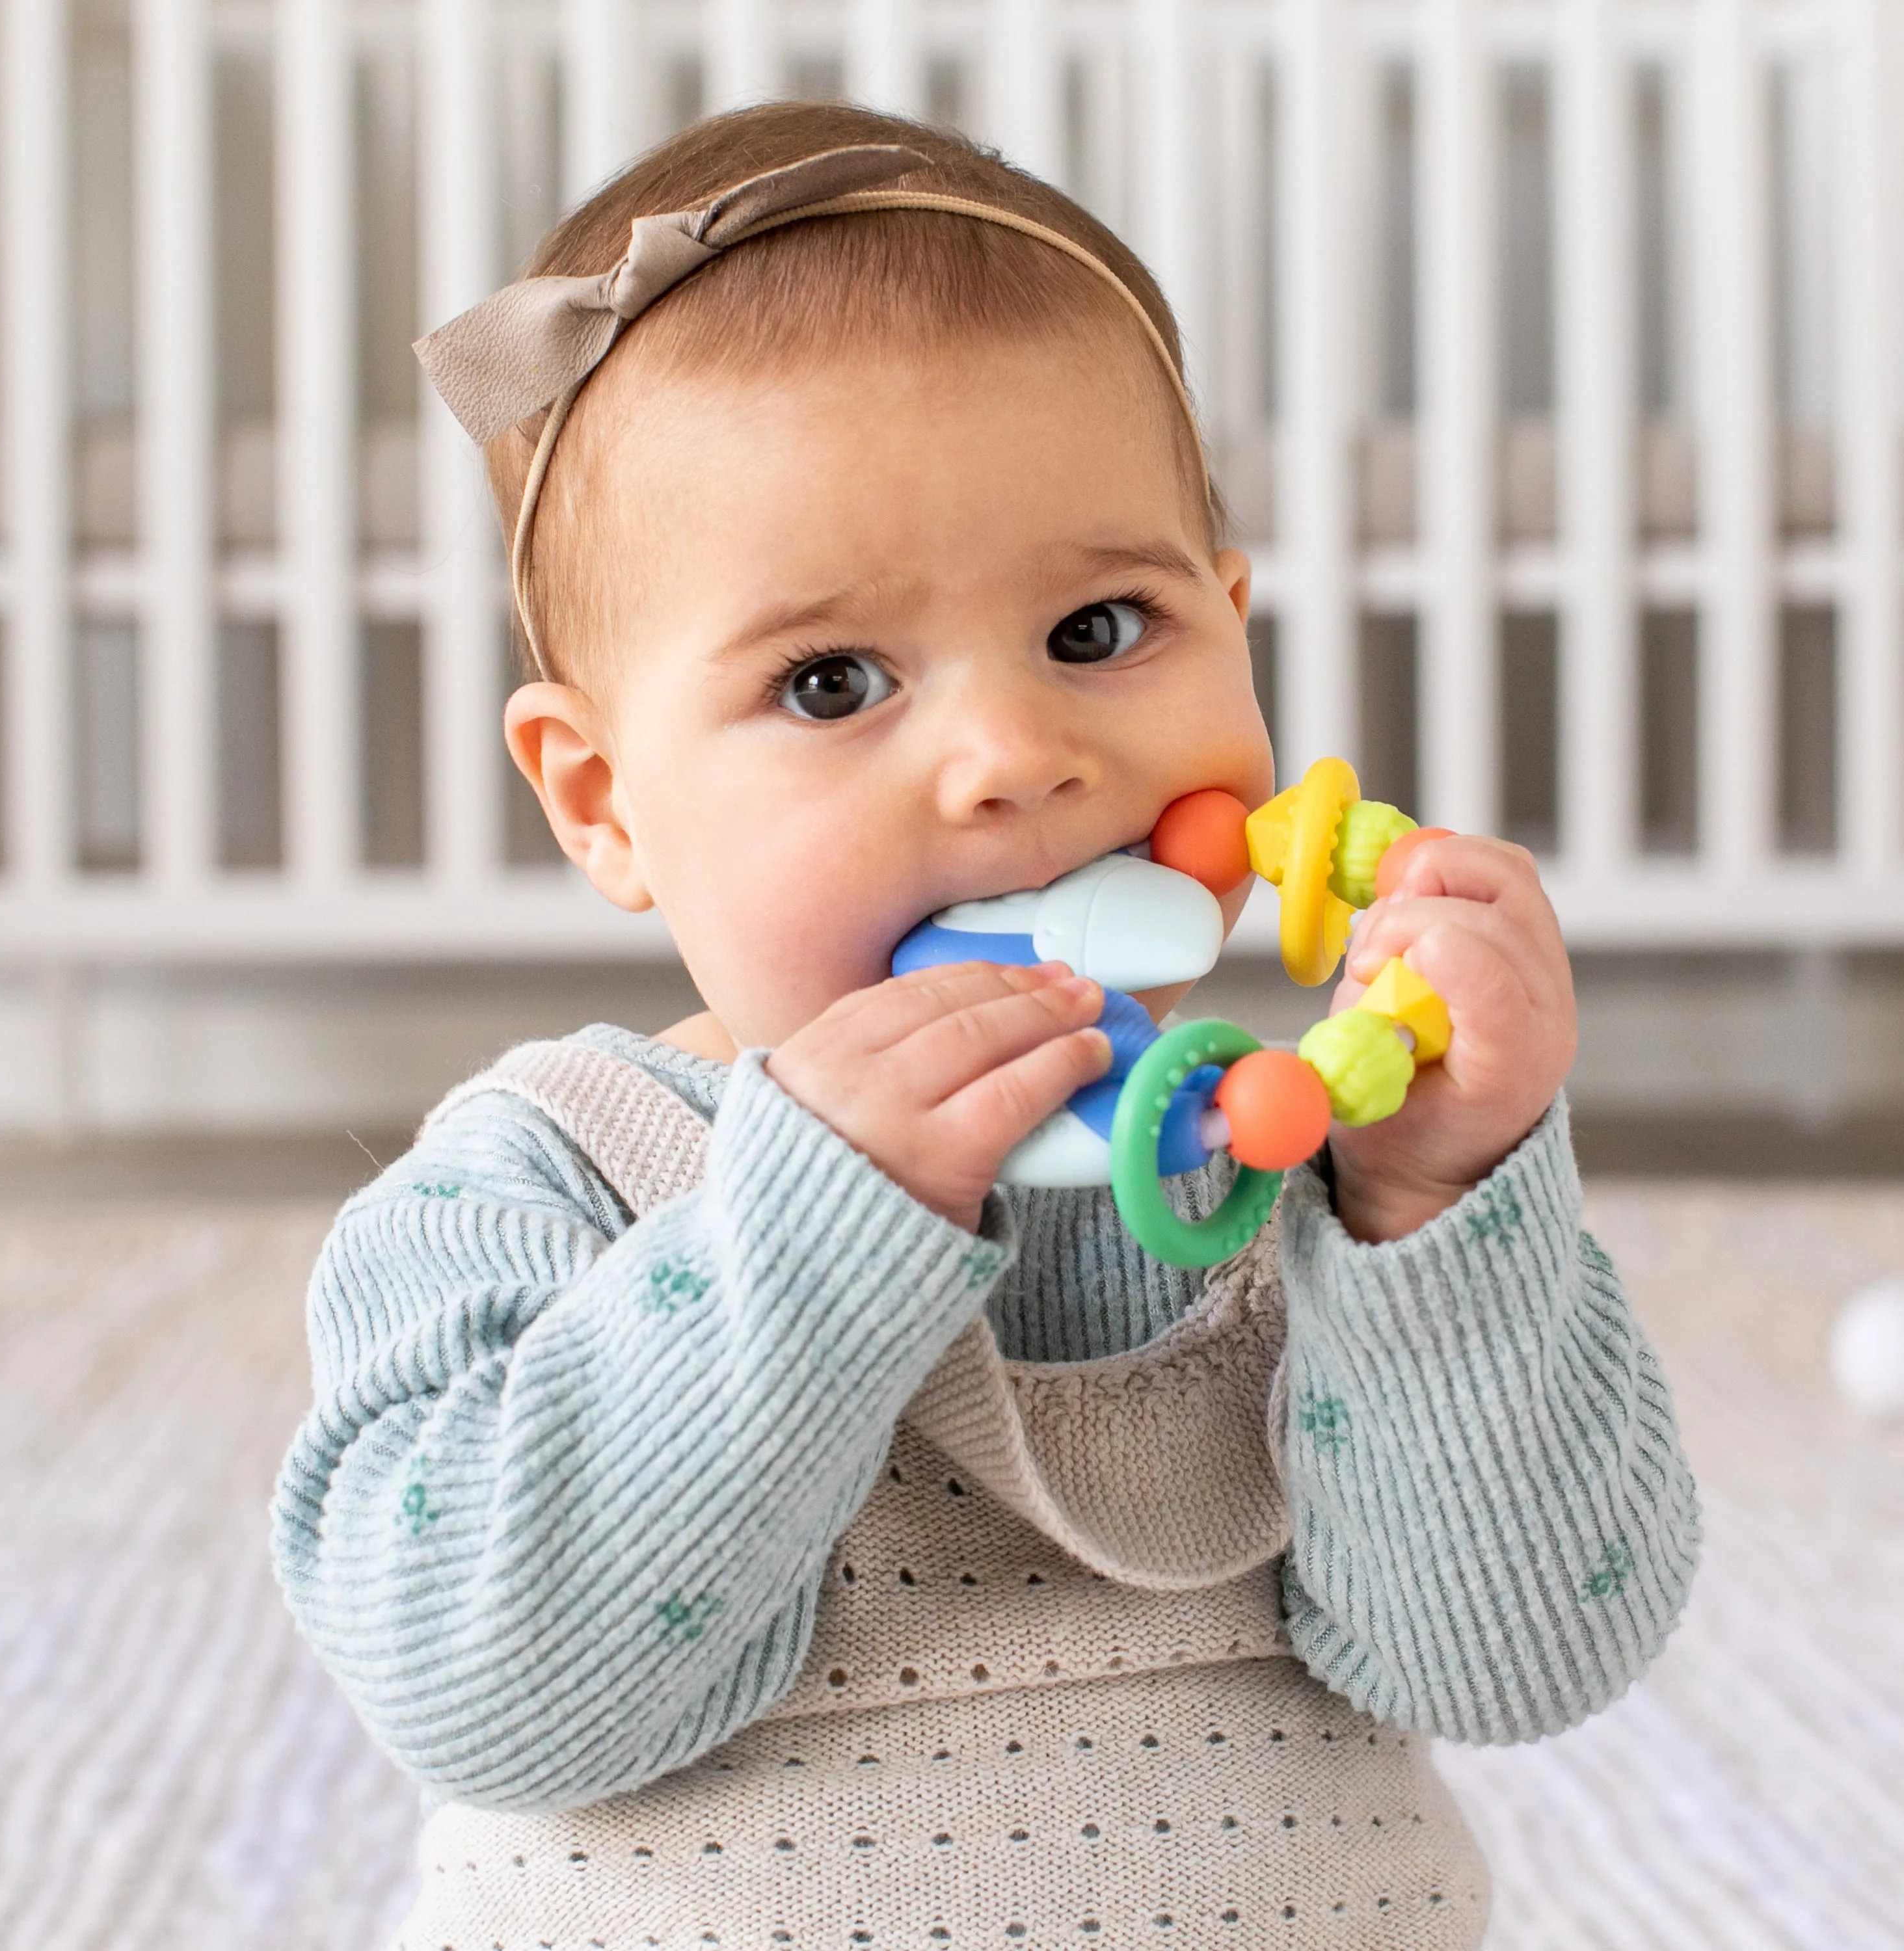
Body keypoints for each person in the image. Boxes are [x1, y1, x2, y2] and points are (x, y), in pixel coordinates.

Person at [271, 102, 1698, 1950]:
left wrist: (1444, 1212)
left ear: (1237, 636)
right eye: (833, 682)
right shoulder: (544, 1184)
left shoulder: (1294, 1157)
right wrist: (816, 1231)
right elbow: (494, 1692)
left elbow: (1521, 1660)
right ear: (604, 798)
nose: (1018, 758)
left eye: (1101, 628)